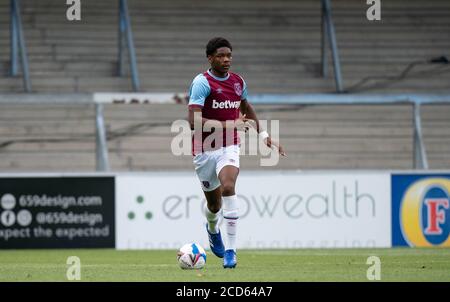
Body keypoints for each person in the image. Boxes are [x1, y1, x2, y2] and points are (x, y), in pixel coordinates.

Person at [187, 37, 285, 268]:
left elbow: (246, 108)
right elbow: (193, 121)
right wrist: (229, 124)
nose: (226, 59)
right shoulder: (202, 83)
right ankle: (212, 228)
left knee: (229, 187)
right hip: (203, 151)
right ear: (210, 58)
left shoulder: (238, 82)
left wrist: (264, 137)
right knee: (214, 206)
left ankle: (231, 251)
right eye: (221, 56)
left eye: (229, 55)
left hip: (228, 146)